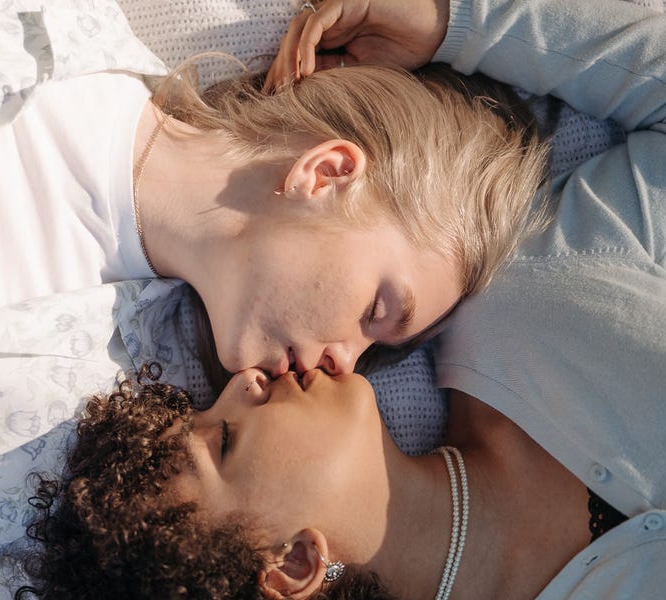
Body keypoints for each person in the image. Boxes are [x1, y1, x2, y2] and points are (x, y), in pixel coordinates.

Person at [0, 0, 548, 377]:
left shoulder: (73, 410)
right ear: (328, 173)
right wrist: (450, 19)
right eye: (379, 308)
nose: (345, 367)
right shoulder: (41, 20)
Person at [266, 0, 666, 514]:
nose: (343, 364)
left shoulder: (501, 269)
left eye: (376, 316)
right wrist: (451, 26)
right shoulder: (505, 269)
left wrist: (457, 26)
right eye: (376, 318)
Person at [17, 366, 666, 599]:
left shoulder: (520, 317)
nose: (242, 382)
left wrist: (459, 48)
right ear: (298, 561)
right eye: (223, 440)